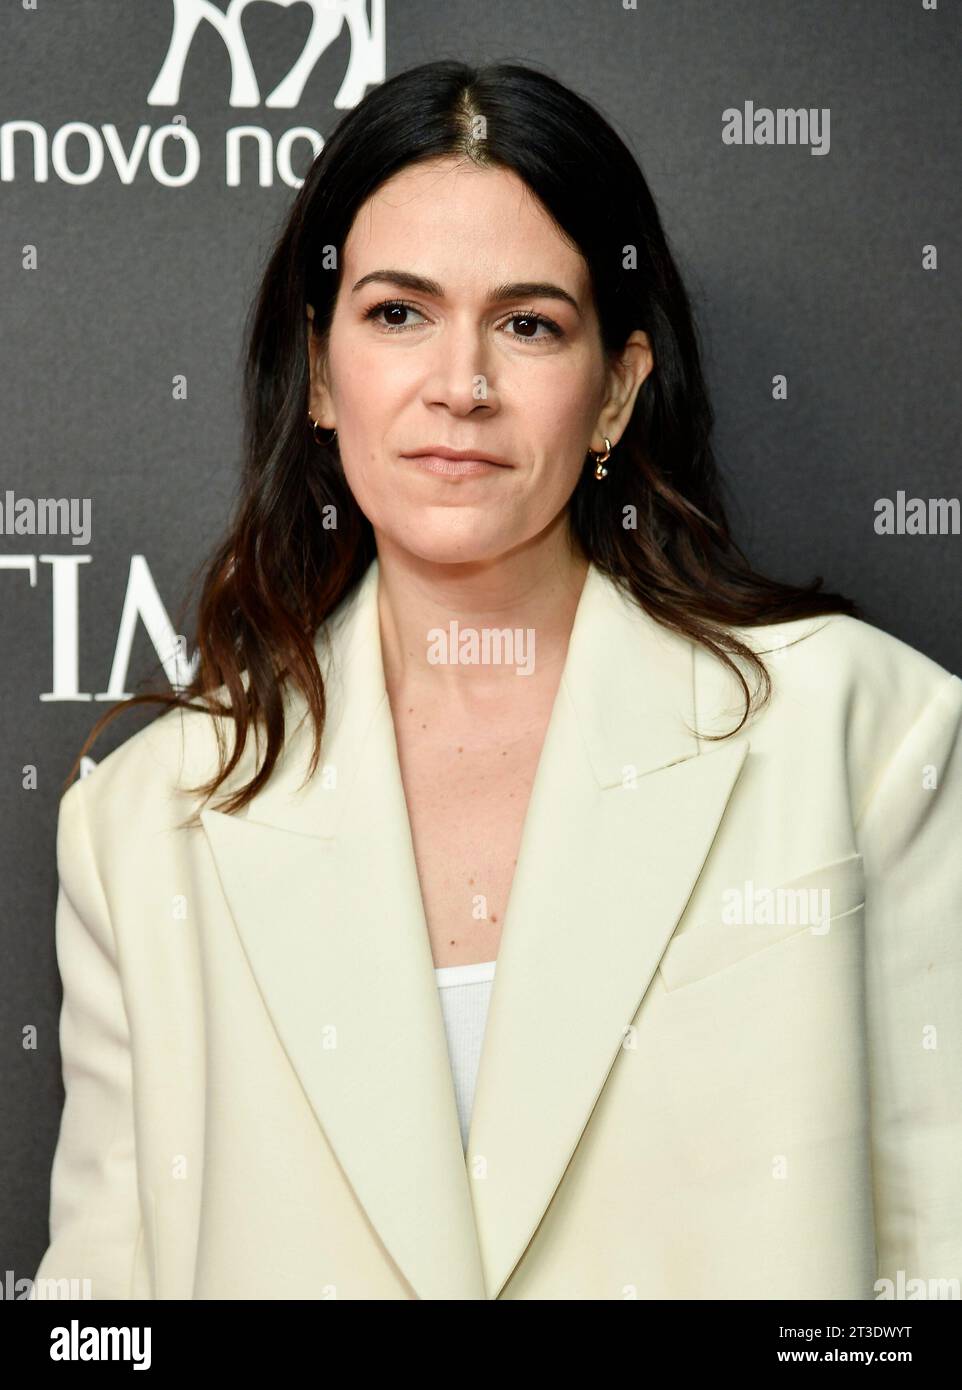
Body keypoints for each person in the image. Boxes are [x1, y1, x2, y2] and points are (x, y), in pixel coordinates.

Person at [31, 60, 962, 1301]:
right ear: (318, 374)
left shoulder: (863, 732)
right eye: (397, 314)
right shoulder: (143, 826)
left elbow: (933, 1255)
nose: (458, 387)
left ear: (615, 393)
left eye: (526, 323)